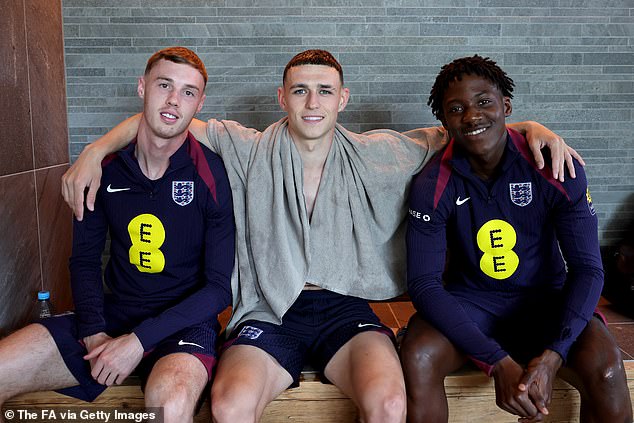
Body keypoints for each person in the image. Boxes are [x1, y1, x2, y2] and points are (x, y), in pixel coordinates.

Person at [60, 49, 579, 423]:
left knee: (390, 405)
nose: (312, 102)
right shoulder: (246, 146)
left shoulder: (381, 151)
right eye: (301, 90)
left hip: (343, 307)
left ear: (342, 99)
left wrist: (534, 127)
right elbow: (167, 118)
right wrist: (94, 152)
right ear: (282, 96)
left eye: (325, 90)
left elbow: (467, 127)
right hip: (268, 309)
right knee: (228, 406)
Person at [0, 47, 235, 423]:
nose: (174, 100)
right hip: (114, 315)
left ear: (200, 104)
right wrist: (93, 330)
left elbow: (219, 287)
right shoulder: (102, 169)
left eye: (188, 92)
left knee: (170, 408)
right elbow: (85, 259)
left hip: (183, 325)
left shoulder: (213, 175)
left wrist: (139, 342)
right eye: (164, 85)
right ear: (142, 87)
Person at [400, 55, 632, 423]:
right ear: (443, 121)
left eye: (484, 102)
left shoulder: (556, 166)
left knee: (606, 367)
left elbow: (588, 268)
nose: (472, 115)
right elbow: (424, 284)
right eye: (456, 108)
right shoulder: (432, 183)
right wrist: (496, 363)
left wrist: (554, 354)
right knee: (418, 355)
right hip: (473, 304)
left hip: (546, 302)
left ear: (506, 106)